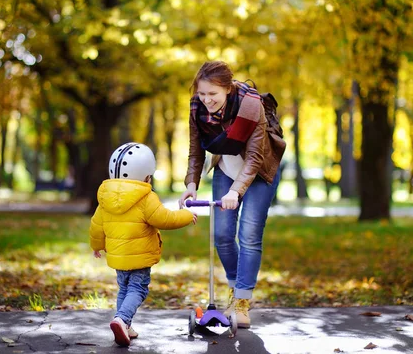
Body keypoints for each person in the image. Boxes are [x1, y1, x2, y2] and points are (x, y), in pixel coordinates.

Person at [178, 60, 286, 329]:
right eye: (202, 94)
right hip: (226, 167)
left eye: (212, 94)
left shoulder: (251, 106)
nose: (206, 100)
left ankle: (241, 300)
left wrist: (236, 191)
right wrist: (191, 183)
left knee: (248, 235)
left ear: (227, 89)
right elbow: (196, 150)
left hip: (259, 172)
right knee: (222, 236)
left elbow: (254, 157)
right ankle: (235, 287)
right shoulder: (197, 108)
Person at [90, 142, 197, 347]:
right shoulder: (146, 197)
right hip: (139, 257)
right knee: (138, 290)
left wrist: (97, 245)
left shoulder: (106, 197)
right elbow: (164, 219)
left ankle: (124, 324)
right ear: (147, 176)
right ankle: (122, 319)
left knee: (124, 289)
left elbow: (96, 225)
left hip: (117, 257)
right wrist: (186, 215)